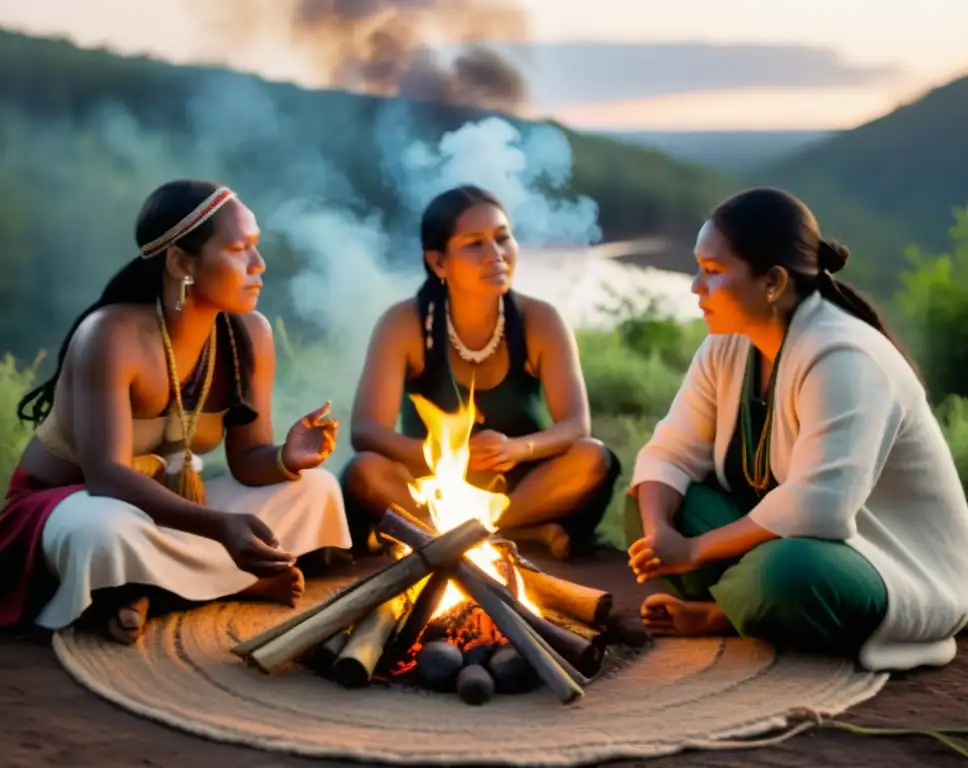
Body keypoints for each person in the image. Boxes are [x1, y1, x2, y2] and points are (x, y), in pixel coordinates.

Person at [625, 187, 968, 672]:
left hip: (882, 563)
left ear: (772, 282)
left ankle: (727, 610)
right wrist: (662, 532)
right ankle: (751, 602)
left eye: (712, 272)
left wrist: (691, 550)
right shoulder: (729, 346)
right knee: (651, 506)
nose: (695, 287)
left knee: (785, 576)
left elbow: (820, 507)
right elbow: (671, 451)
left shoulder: (844, 357)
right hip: (777, 538)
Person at [0, 180, 352, 644]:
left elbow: (248, 460)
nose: (258, 265)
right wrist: (219, 527)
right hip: (69, 505)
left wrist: (286, 458)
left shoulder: (250, 334)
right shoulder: (110, 335)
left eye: (256, 247)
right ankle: (222, 582)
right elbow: (105, 475)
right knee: (102, 532)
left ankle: (149, 590)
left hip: (176, 508)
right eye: (239, 249)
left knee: (316, 488)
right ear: (181, 262)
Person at [341, 185, 620, 559]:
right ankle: (522, 533)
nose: (496, 255)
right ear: (439, 263)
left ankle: (459, 536)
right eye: (475, 244)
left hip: (521, 490)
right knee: (366, 471)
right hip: (432, 486)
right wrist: (447, 458)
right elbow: (366, 431)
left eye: (503, 238)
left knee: (592, 458)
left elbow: (574, 426)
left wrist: (518, 449)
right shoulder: (404, 324)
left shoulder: (540, 321)